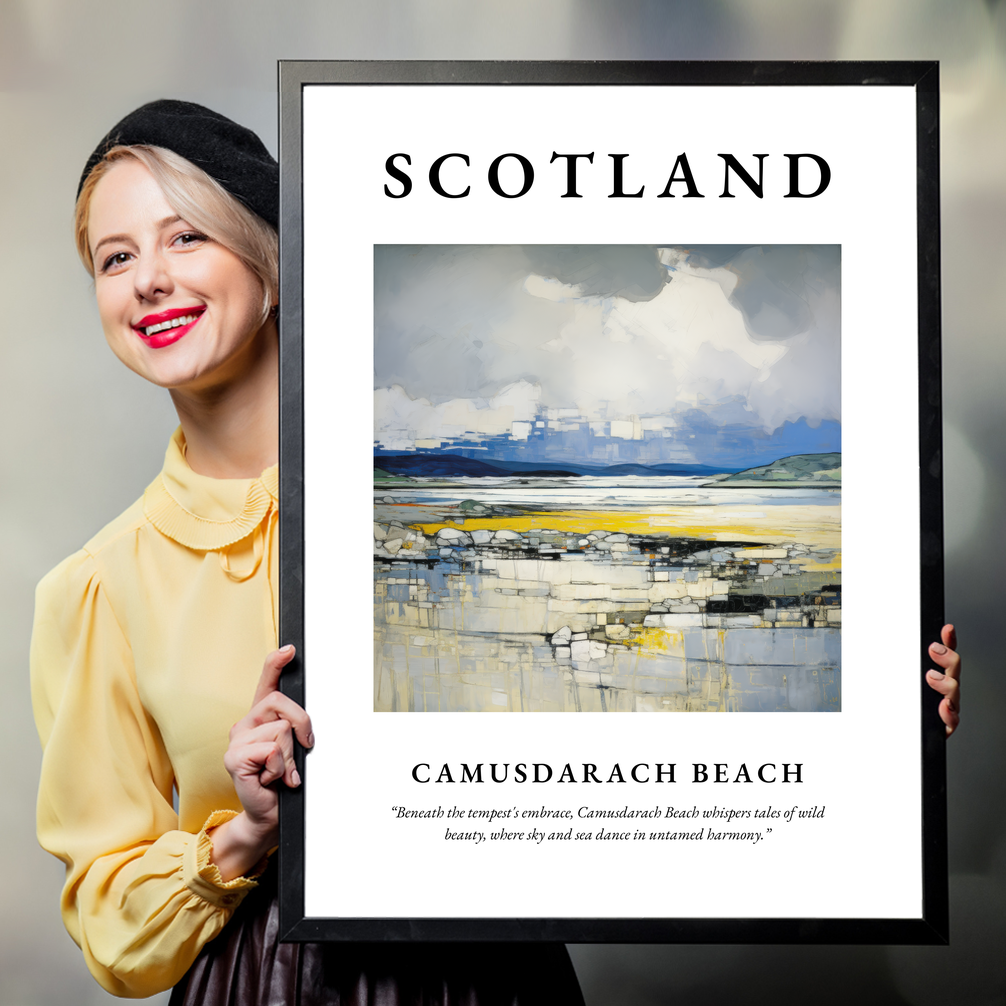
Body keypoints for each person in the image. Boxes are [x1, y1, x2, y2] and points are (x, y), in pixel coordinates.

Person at [30, 100, 586, 1004]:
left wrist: (891, 707)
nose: (148, 281)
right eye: (116, 257)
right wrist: (245, 832)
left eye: (185, 238)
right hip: (262, 982)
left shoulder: (442, 510)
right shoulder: (97, 587)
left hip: (492, 973)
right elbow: (110, 923)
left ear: (273, 263)